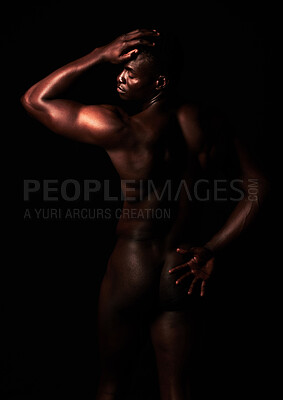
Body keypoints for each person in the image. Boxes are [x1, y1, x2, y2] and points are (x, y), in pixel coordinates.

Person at [21, 29, 268, 400]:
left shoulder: (122, 127)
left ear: (160, 82)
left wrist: (99, 53)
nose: (119, 77)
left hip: (132, 266)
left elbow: (35, 100)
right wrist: (212, 248)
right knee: (176, 390)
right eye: (119, 69)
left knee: (112, 386)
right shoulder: (212, 122)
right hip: (181, 267)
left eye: (130, 73)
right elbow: (258, 186)